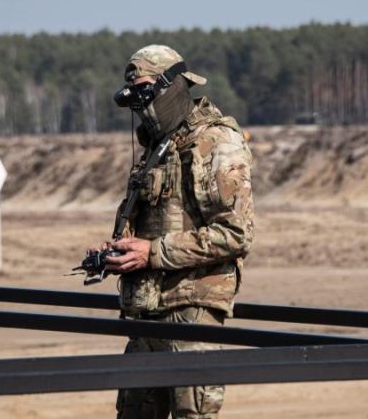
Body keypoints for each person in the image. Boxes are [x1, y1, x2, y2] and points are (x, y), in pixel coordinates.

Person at [88, 45, 254, 419]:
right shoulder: (156, 149)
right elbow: (152, 221)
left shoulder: (215, 142)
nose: (141, 107)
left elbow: (236, 233)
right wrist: (120, 250)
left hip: (191, 316)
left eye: (147, 92)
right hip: (146, 315)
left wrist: (152, 252)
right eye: (134, 97)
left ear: (174, 86)